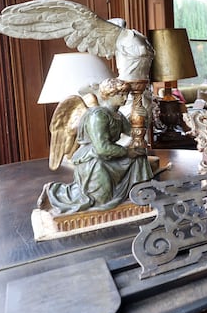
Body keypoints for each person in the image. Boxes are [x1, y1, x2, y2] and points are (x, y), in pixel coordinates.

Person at [39, 78, 153, 214]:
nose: (124, 98)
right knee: (100, 200)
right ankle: (54, 192)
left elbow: (133, 133)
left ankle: (136, 193)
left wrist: (141, 119)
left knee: (140, 156)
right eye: (120, 94)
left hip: (109, 157)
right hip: (93, 159)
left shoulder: (118, 115)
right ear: (109, 95)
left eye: (126, 94)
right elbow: (102, 148)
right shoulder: (98, 116)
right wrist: (127, 152)